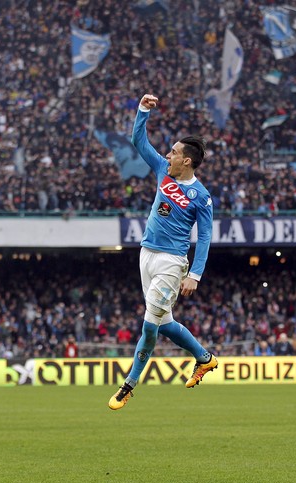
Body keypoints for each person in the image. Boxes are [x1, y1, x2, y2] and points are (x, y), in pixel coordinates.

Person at [108, 94, 218, 410]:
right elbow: (138, 140)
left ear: (187, 161)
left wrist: (194, 274)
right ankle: (204, 358)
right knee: (164, 323)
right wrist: (143, 110)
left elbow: (206, 237)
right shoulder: (162, 170)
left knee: (148, 325)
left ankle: (129, 385)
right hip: (147, 254)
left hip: (172, 262)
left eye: (174, 152)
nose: (167, 154)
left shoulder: (202, 197)